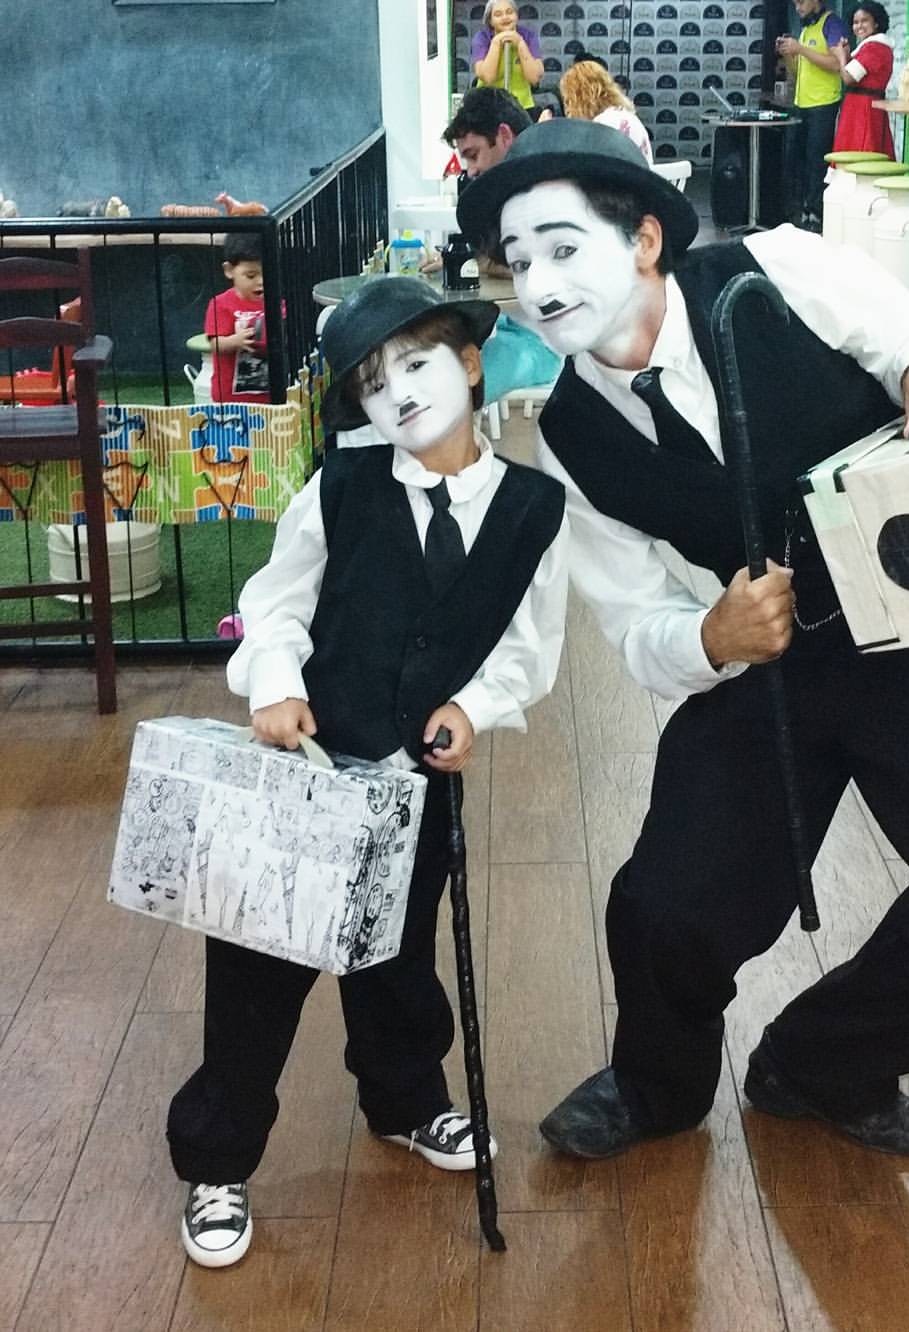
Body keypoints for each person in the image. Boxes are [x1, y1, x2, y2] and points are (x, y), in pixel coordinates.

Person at [457, 119, 909, 1165]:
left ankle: (821, 1062)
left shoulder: (771, 272)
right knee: (667, 907)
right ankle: (655, 1086)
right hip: (772, 663)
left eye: (563, 247)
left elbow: (898, 334)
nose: (542, 286)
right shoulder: (566, 437)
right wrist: (712, 634)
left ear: (644, 240)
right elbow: (634, 623)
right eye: (520, 262)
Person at [167, 277, 569, 1268]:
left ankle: (405, 1101)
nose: (400, 393)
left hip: (414, 783)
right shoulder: (341, 488)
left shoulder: (532, 509)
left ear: (470, 365)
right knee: (260, 969)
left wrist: (473, 708)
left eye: (418, 364)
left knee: (395, 952)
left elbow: (526, 646)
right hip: (305, 769)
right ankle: (217, 1158)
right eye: (374, 384)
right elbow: (277, 602)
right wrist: (273, 682)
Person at [426, 87, 562, 402]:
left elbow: (535, 263)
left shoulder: (547, 190)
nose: (470, 170)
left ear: (504, 136)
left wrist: (476, 261)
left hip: (543, 342)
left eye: (473, 154)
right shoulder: (513, 190)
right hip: (506, 328)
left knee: (449, 393)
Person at [777, 0, 849, 229]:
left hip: (824, 103)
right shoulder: (806, 29)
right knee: (798, 161)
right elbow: (798, 70)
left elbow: (836, 64)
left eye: (801, 2)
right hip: (802, 103)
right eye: (795, 3)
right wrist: (788, 54)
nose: (798, 7)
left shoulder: (831, 23)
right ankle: (800, 211)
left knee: (817, 162)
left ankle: (817, 214)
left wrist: (800, 49)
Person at [204, 233, 271, 403]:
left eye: (268, 272)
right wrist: (235, 341)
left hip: (271, 395)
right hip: (230, 398)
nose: (261, 281)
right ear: (229, 270)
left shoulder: (277, 302)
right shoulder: (221, 304)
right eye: (251, 275)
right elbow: (214, 343)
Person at [831, 2, 896, 157]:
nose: (859, 26)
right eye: (855, 22)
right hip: (862, 106)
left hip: (864, 109)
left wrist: (841, 56)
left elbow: (848, 78)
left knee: (861, 152)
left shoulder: (874, 47)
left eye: (864, 20)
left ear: (876, 23)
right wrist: (846, 55)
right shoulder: (872, 47)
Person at [560, 61, 654, 164]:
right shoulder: (625, 116)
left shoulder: (601, 127)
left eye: (568, 100)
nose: (567, 110)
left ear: (581, 98)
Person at [471, 1, 543, 116]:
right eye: (498, 14)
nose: (505, 17)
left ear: (516, 15)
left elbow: (534, 78)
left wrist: (520, 43)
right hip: (487, 107)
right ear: (490, 20)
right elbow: (488, 78)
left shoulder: (528, 36)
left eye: (509, 12)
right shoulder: (482, 38)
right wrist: (496, 42)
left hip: (522, 107)